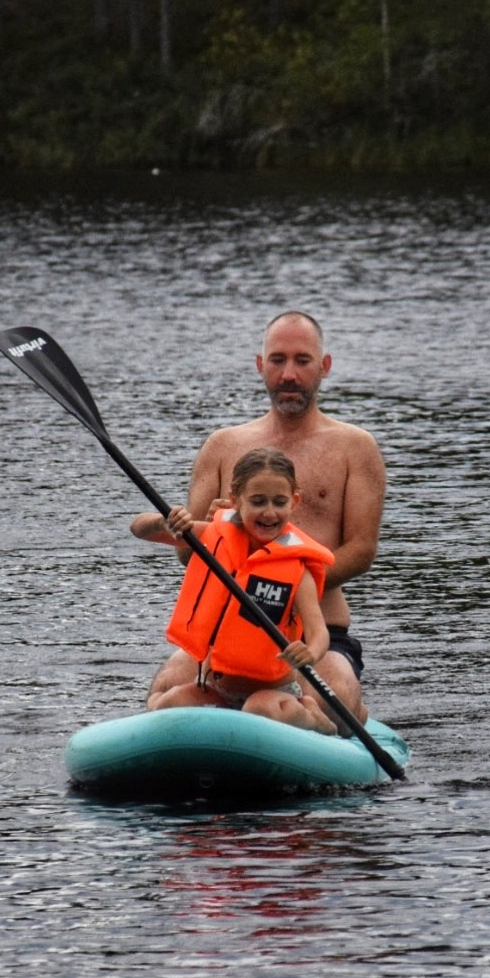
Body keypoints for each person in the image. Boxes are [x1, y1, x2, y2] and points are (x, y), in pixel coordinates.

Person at [131, 310, 386, 722]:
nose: (289, 374)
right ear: (260, 366)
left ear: (324, 366)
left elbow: (361, 550)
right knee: (164, 689)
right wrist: (215, 533)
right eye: (277, 360)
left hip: (317, 633)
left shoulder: (355, 447)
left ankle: (338, 720)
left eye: (302, 361)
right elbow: (185, 551)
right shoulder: (221, 445)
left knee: (334, 695)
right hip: (224, 632)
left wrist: (280, 587)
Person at [132, 447, 337, 735]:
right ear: (235, 501)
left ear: (295, 501)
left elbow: (319, 633)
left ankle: (313, 716)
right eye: (257, 501)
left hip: (271, 693)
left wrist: (311, 652)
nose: (269, 512)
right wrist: (164, 522)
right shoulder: (211, 538)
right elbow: (140, 529)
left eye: (279, 502)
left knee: (258, 710)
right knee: (170, 703)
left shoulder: (296, 569)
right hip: (217, 685)